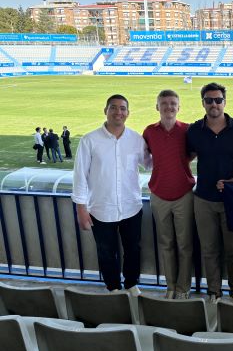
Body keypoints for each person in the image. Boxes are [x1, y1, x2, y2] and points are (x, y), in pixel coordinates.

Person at [72, 94, 149, 295]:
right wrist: (81, 209)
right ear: (105, 111)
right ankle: (113, 288)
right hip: (100, 208)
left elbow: (149, 164)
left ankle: (131, 284)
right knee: (106, 252)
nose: (118, 112)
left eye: (122, 108)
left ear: (128, 113)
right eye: (113, 108)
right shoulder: (90, 140)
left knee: (133, 249)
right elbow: (80, 176)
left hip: (131, 206)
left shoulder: (136, 139)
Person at [187, 82, 233, 304]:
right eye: (209, 100)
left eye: (218, 100)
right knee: (209, 249)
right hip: (203, 199)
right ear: (203, 102)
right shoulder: (194, 130)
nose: (214, 104)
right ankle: (214, 292)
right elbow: (185, 156)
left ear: (225, 102)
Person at [143, 90, 195, 300]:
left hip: (184, 194)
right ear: (157, 107)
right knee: (166, 243)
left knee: (185, 244)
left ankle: (183, 288)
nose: (168, 107)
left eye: (173, 103)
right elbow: (145, 157)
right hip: (159, 195)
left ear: (179, 107)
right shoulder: (149, 131)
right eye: (164, 103)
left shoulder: (187, 130)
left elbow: (191, 154)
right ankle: (170, 286)